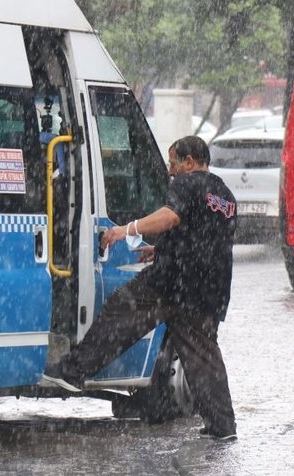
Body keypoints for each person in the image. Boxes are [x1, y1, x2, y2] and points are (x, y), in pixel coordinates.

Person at [42, 135, 239, 440]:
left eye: (173, 163)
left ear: (188, 162)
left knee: (120, 313)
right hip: (210, 288)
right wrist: (161, 250)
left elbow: (170, 217)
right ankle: (222, 425)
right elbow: (204, 238)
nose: (170, 171)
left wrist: (126, 229)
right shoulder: (225, 195)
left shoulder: (186, 183)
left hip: (172, 282)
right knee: (203, 357)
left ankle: (73, 372)